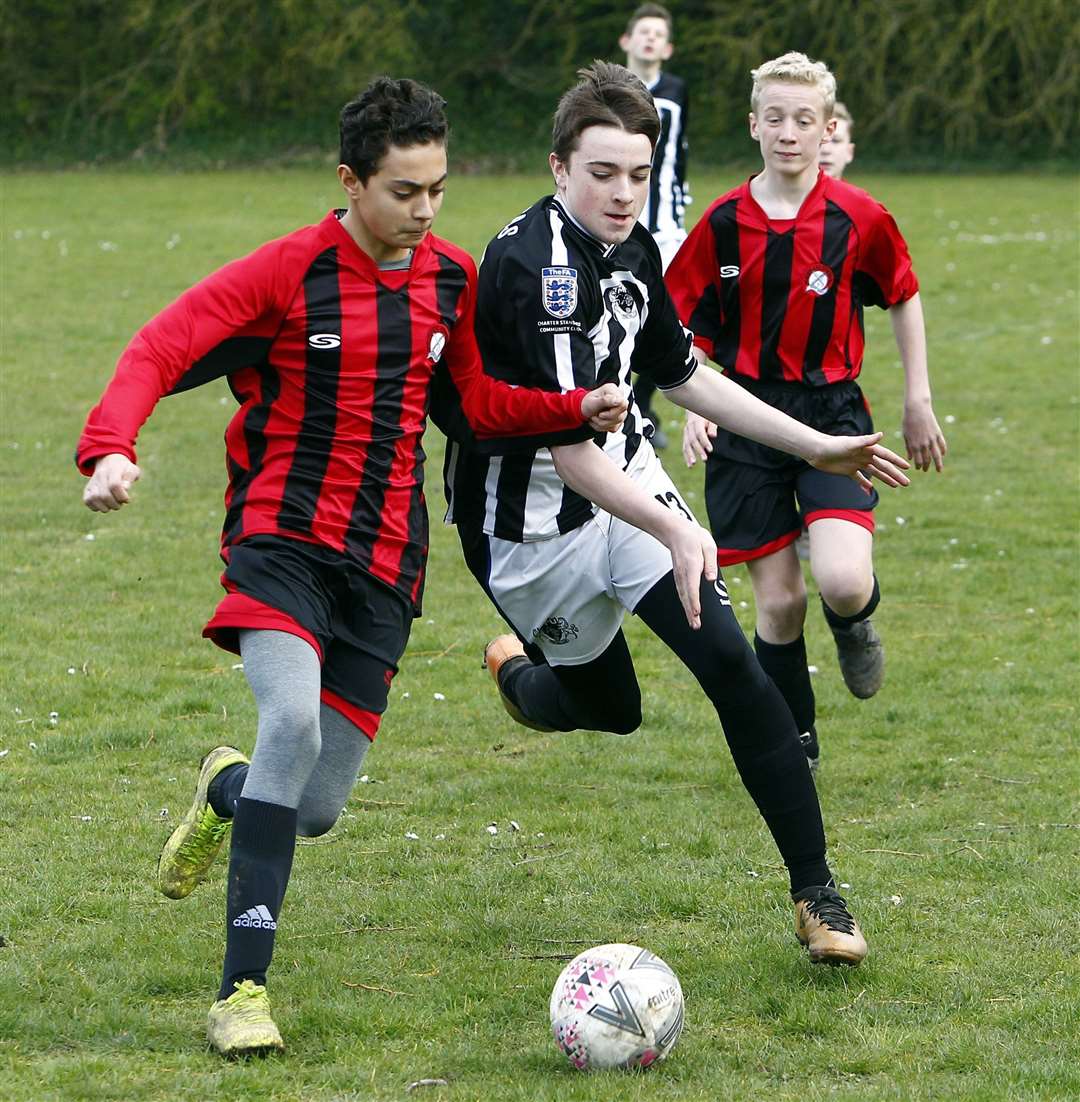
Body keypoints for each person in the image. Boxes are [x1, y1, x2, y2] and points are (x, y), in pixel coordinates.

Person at [76, 77, 628, 1058]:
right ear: (350, 180)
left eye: (437, 190)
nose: (423, 211)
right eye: (404, 191)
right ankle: (241, 993)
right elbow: (160, 347)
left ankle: (223, 794)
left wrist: (567, 410)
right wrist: (109, 447)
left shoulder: (449, 281)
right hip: (281, 543)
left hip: (384, 566)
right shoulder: (286, 275)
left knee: (314, 806)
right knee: (287, 721)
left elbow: (476, 408)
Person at [444, 62, 913, 969]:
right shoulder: (528, 268)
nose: (624, 194)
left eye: (637, 174)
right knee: (607, 707)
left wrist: (814, 446)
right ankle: (517, 677)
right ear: (559, 169)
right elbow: (568, 452)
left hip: (627, 491)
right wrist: (675, 526)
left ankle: (818, 896)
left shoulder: (634, 251)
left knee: (732, 663)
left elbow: (684, 372)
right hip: (529, 535)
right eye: (603, 173)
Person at [670, 53, 946, 772]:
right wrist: (698, 402)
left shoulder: (859, 218)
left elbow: (904, 292)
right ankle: (797, 744)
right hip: (747, 416)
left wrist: (918, 398)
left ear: (828, 131)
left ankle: (855, 626)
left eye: (804, 120)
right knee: (781, 606)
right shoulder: (723, 222)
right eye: (775, 118)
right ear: (753, 124)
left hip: (833, 414)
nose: (789, 132)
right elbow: (677, 326)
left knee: (845, 582)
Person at [619, 2, 691, 449]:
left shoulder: (678, 90)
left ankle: (642, 404)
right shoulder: (610, 88)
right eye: (642, 31)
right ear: (627, 41)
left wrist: (681, 206)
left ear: (667, 47)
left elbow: (680, 154)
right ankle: (617, 404)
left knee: (665, 319)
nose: (649, 39)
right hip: (619, 224)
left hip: (664, 226)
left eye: (657, 33)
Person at [819, 100, 855, 180]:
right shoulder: (784, 192)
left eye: (836, 141)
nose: (826, 150)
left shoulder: (856, 193)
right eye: (820, 140)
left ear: (850, 152)